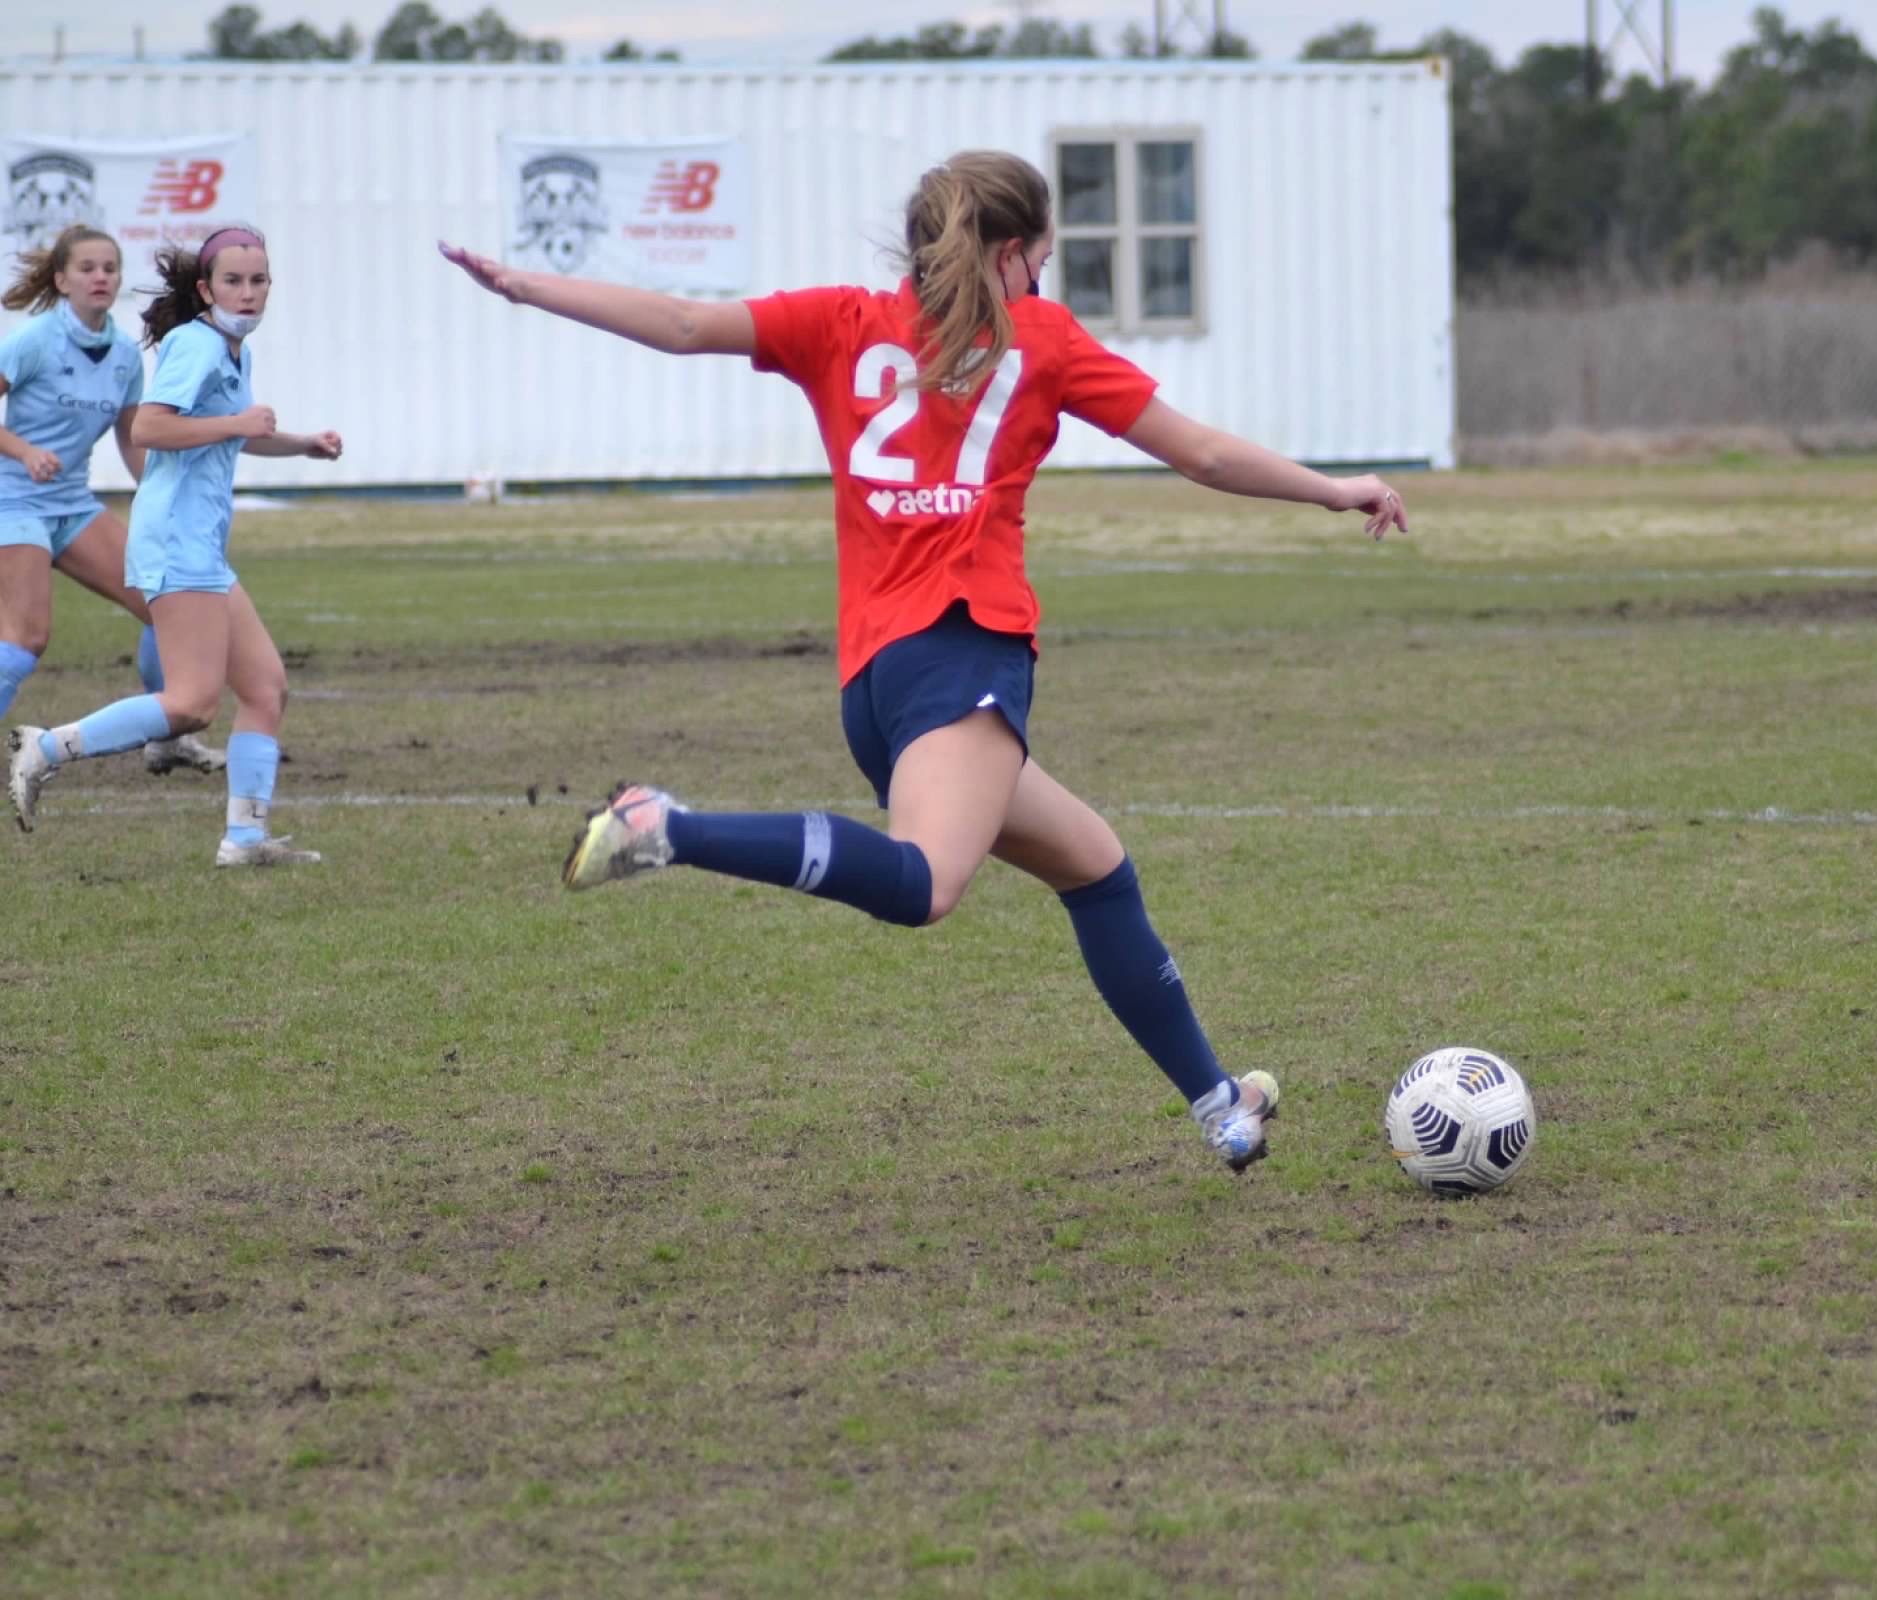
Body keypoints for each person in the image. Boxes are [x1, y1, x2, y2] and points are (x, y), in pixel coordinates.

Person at [438, 149, 1408, 1170]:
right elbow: (1201, 454)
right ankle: (669, 827)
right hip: (965, 652)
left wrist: (525, 284)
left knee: (1097, 869)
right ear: (1007, 253)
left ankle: (1220, 1100)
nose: (1041, 280)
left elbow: (683, 325)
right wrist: (1332, 487)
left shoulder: (842, 322)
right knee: (923, 886)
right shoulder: (1037, 337)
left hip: (877, 685)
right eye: (1038, 258)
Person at [7, 225, 343, 864]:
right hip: (174, 542)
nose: (248, 294)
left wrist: (299, 443)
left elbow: (225, 433)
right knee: (190, 704)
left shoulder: (230, 346)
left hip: (199, 543)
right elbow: (155, 427)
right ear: (204, 289)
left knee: (266, 687)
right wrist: (239, 422)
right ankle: (44, 748)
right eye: (233, 282)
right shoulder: (194, 343)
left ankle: (245, 840)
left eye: (259, 281)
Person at [0, 225, 223, 777]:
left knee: (163, 599)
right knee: (27, 635)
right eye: (87, 268)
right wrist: (24, 450)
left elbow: (134, 435)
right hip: (14, 502)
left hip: (72, 505)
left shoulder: (125, 354)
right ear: (62, 280)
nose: (100, 277)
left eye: (109, 268)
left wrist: (162, 496)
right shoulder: (33, 341)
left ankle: (166, 737)